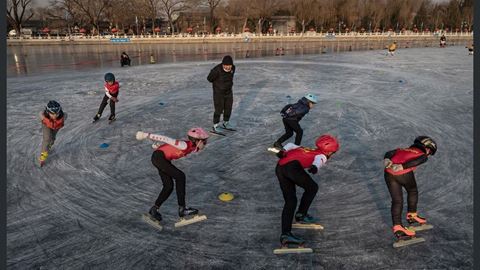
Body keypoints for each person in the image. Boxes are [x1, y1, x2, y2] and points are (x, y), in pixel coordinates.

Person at [275, 134, 339, 246]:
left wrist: (283, 150)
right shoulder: (322, 155)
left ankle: (286, 234)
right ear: (329, 152)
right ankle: (301, 215)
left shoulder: (307, 149)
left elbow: (291, 145)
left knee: (291, 201)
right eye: (333, 153)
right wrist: (315, 167)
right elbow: (320, 159)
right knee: (312, 188)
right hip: (292, 168)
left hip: (280, 167)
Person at [135, 127, 210, 222]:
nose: (205, 144)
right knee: (180, 176)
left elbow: (171, 148)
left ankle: (154, 209)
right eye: (204, 141)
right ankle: (182, 209)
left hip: (161, 158)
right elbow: (165, 138)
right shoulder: (184, 145)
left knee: (168, 186)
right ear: (197, 141)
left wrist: (159, 147)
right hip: (159, 158)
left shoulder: (192, 147)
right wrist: (145, 135)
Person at [383, 136, 437, 239]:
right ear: (427, 148)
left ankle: (398, 228)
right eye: (430, 152)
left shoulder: (402, 149)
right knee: (412, 191)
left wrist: (386, 159)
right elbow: (419, 161)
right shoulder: (423, 154)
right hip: (403, 173)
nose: (428, 154)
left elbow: (389, 153)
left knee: (397, 200)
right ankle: (412, 215)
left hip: (388, 173)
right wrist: (402, 167)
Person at [207, 55, 236, 132]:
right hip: (218, 93)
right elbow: (209, 78)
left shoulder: (233, 68)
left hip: (228, 91)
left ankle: (226, 122)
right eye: (226, 65)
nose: (227, 67)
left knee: (228, 107)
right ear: (223, 64)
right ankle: (216, 125)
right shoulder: (216, 70)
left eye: (229, 65)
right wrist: (217, 85)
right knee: (218, 109)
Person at [38, 100, 67, 167]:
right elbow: (40, 113)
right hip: (46, 125)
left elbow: (65, 115)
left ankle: (50, 145)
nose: (55, 116)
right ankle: (43, 154)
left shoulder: (63, 116)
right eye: (52, 114)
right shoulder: (44, 116)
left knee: (53, 138)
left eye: (57, 114)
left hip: (56, 127)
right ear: (48, 112)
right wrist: (44, 120)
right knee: (47, 138)